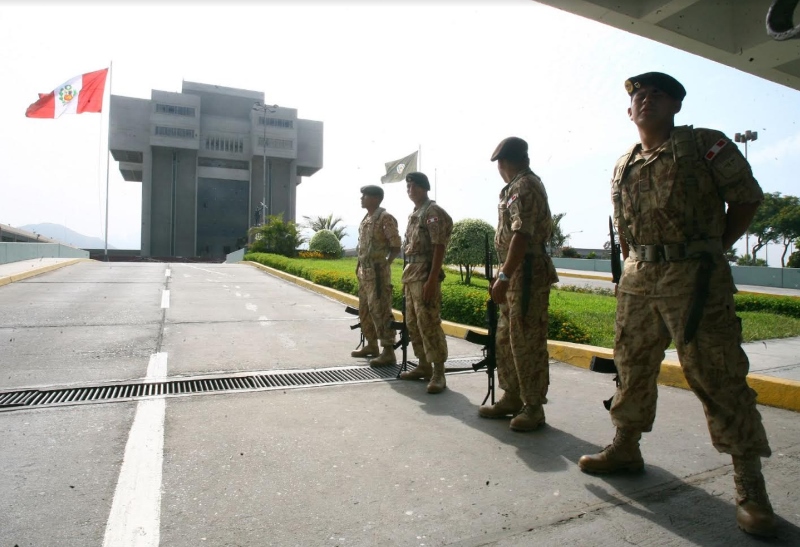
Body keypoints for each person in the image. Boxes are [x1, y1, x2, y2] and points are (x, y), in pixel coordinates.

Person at [578, 72, 776, 537]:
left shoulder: (705, 144)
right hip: (638, 277)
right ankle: (626, 446)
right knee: (631, 367)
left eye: (657, 95)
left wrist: (713, 247)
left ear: (676, 106)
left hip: (695, 277)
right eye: (638, 96)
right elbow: (624, 224)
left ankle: (750, 484)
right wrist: (631, 265)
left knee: (717, 373)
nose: (645, 100)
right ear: (630, 111)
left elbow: (746, 198)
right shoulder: (623, 162)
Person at [479, 137, 559, 431]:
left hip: (526, 274)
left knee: (526, 340)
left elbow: (521, 235)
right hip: (515, 271)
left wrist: (504, 275)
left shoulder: (524, 185)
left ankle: (533, 406)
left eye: (500, 164)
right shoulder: (515, 186)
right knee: (506, 338)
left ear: (505, 163)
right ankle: (512, 396)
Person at [397, 172, 453, 394]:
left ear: (422, 187)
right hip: (411, 274)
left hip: (424, 274)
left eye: (412, 186)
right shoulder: (415, 213)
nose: (409, 190)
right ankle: (423, 365)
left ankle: (439, 372)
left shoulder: (432, 212)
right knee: (413, 322)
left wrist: (432, 279)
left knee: (428, 322)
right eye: (407, 186)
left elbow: (439, 246)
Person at [351, 185, 402, 367]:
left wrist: (385, 264)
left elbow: (396, 246)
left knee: (380, 310)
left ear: (375, 198)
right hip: (365, 273)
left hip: (378, 274)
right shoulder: (367, 219)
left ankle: (388, 350)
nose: (361, 199)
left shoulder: (384, 218)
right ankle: (372, 345)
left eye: (364, 196)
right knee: (365, 310)